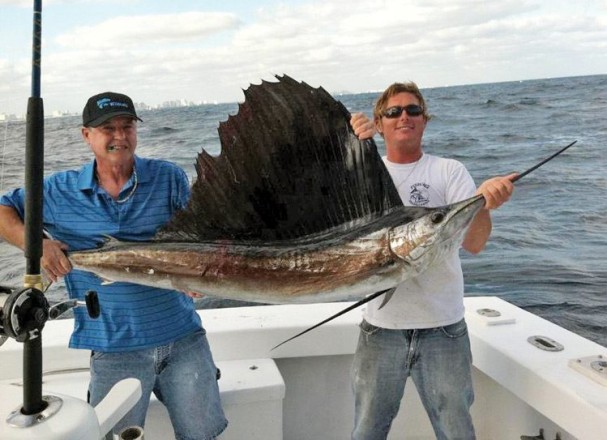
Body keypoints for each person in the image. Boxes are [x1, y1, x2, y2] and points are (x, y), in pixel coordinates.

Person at [0, 92, 227, 439]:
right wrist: (39, 246)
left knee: (203, 435)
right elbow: (3, 210)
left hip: (184, 340)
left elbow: (195, 240)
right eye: (108, 128)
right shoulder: (58, 191)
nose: (119, 136)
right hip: (113, 348)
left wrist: (198, 276)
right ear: (86, 135)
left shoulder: (168, 177)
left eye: (127, 126)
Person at [348, 82, 516, 440]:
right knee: (366, 431)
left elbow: (474, 243)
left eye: (413, 110)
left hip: (444, 328)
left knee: (455, 431)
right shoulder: (363, 174)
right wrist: (343, 141)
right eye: (393, 112)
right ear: (379, 124)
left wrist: (483, 204)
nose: (404, 116)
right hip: (380, 328)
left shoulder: (450, 172)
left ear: (425, 120)